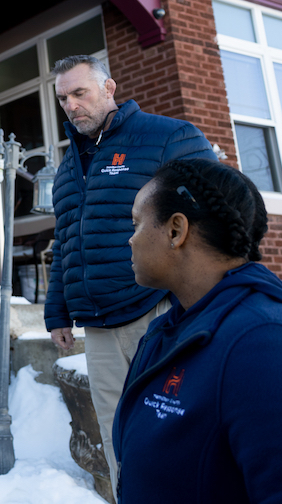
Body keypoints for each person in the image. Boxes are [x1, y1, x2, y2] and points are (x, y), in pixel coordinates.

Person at [43, 54, 216, 496]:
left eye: (80, 93)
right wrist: (58, 310)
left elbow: (216, 212)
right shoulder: (67, 169)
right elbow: (66, 241)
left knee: (172, 428)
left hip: (157, 311)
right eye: (63, 98)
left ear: (109, 88)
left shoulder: (167, 137)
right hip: (98, 324)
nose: (71, 105)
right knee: (117, 436)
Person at [114, 158, 282, 503]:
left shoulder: (268, 343)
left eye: (136, 223)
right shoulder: (169, 329)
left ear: (175, 230)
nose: (130, 240)